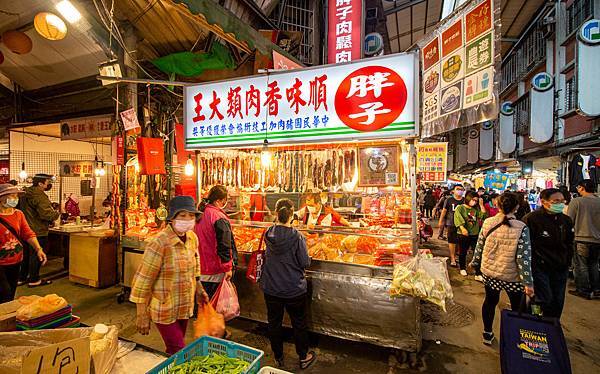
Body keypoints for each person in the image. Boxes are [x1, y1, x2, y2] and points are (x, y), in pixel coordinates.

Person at [130, 196, 209, 355]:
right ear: (172, 218)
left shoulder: (192, 237)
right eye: (182, 215)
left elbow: (195, 262)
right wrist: (141, 314)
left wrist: (199, 288)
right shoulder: (159, 242)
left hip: (184, 304)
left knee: (174, 348)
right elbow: (143, 280)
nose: (187, 219)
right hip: (165, 307)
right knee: (178, 349)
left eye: (191, 215)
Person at [470, 192, 534, 345]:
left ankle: (487, 333)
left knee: (490, 301)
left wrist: (474, 263)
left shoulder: (488, 223)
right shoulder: (522, 227)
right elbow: (523, 257)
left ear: (497, 206)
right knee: (518, 307)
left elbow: (479, 246)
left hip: (490, 272)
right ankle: (517, 337)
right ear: (517, 207)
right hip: (512, 275)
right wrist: (528, 282)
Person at [260, 198, 316, 370]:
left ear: (276, 213)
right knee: (299, 323)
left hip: (271, 287)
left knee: (274, 323)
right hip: (293, 288)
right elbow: (305, 263)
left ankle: (278, 357)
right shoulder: (297, 237)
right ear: (292, 214)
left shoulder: (268, 232)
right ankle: (303, 356)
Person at [522, 188, 574, 319]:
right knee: (541, 299)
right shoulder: (531, 219)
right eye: (556, 201)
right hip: (539, 267)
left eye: (563, 201)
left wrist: (567, 262)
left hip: (560, 268)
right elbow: (525, 247)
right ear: (544, 202)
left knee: (557, 300)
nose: (560, 204)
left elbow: (569, 243)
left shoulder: (566, 221)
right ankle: (535, 322)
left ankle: (553, 326)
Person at [0, 184, 47, 303]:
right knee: (4, 293)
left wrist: (38, 249)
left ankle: (6, 319)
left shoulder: (18, 214)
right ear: (1, 198)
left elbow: (28, 233)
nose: (15, 199)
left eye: (16, 196)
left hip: (16, 260)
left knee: (10, 293)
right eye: (12, 196)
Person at [195, 185, 238, 300]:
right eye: (225, 200)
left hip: (201, 269)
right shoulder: (218, 217)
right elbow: (224, 244)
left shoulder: (200, 214)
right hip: (215, 271)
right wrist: (227, 267)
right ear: (219, 200)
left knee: (204, 308)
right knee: (215, 308)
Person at [19, 174, 59, 287]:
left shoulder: (25, 194)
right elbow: (46, 214)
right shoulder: (39, 196)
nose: (49, 184)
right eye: (47, 182)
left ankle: (22, 278)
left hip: (25, 229)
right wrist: (56, 214)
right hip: (38, 230)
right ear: (40, 184)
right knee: (36, 255)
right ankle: (34, 279)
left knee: (26, 255)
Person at [567, 179, 600, 299]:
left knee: (581, 265)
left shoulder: (577, 201)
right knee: (594, 264)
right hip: (597, 239)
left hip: (581, 237)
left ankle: (583, 290)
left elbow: (569, 220)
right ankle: (596, 289)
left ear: (582, 188)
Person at [454, 191, 487, 277]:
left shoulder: (475, 209)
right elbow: (457, 218)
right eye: (473, 200)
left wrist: (481, 204)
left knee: (477, 253)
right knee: (463, 252)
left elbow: (483, 216)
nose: (474, 202)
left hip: (475, 233)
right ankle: (462, 268)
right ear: (468, 198)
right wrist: (462, 228)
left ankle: (478, 272)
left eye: (476, 200)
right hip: (463, 234)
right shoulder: (460, 208)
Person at [439, 185, 466, 266]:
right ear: (453, 191)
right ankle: (452, 257)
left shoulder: (464, 201)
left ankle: (456, 254)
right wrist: (441, 221)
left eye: (461, 189)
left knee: (459, 242)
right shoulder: (449, 200)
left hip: (462, 224)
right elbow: (444, 211)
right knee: (452, 241)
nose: (459, 191)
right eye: (458, 189)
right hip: (451, 223)